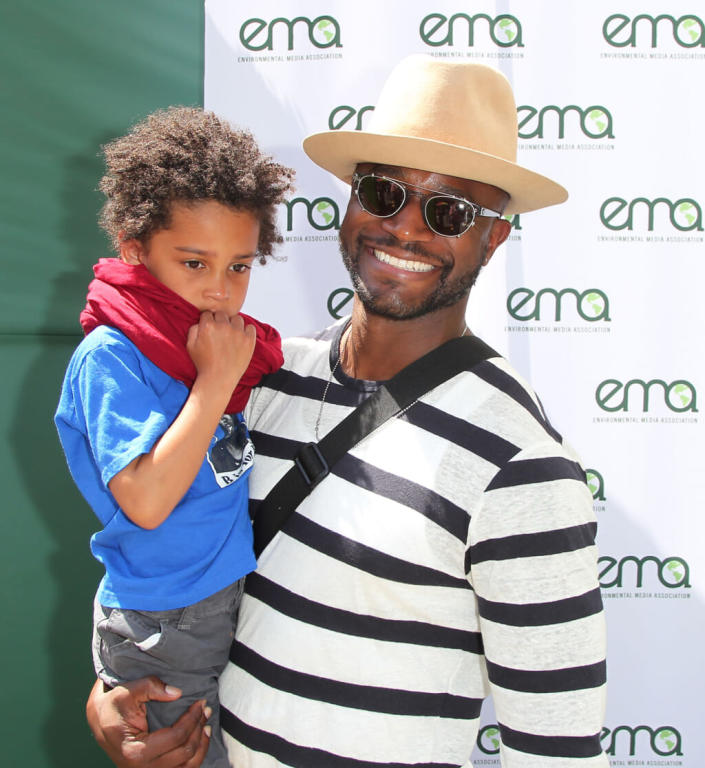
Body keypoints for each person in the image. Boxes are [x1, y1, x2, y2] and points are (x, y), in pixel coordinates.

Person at [87, 57, 608, 767]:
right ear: (350, 201)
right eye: (383, 191)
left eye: (449, 210)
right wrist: (117, 696)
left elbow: (558, 750)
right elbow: (177, 556)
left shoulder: (521, 466)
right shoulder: (258, 378)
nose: (406, 228)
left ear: (492, 239)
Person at [55, 107, 294, 767]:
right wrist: (214, 384)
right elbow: (147, 501)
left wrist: (219, 374)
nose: (220, 291)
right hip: (165, 624)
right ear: (135, 250)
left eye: (239, 267)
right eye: (194, 263)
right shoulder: (115, 354)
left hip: (221, 602)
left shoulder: (211, 351)